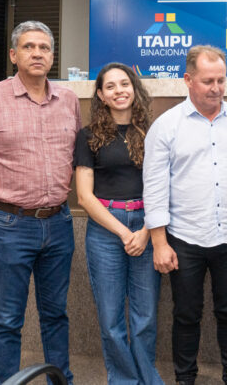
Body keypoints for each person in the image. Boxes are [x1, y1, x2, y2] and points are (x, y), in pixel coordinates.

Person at [0, 21, 81, 384]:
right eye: (28, 47)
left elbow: (75, 156)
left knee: (55, 314)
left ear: (53, 56)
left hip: (59, 223)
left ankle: (60, 380)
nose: (37, 53)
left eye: (44, 48)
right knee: (8, 318)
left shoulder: (69, 100)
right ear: (14, 55)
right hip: (10, 226)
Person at [143, 45, 227, 385]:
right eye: (208, 81)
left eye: (221, 80)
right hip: (185, 238)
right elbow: (154, 187)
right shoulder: (166, 126)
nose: (216, 88)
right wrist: (158, 242)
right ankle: (185, 379)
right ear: (188, 80)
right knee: (186, 314)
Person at [74, 62, 164, 384]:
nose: (119, 91)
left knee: (146, 317)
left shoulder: (153, 132)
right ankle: (125, 381)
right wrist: (125, 232)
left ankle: (147, 378)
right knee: (111, 319)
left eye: (124, 84)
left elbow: (163, 186)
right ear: (100, 94)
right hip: (106, 230)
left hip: (147, 225)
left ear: (134, 88)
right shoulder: (88, 137)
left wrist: (144, 232)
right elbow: (84, 196)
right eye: (110, 86)